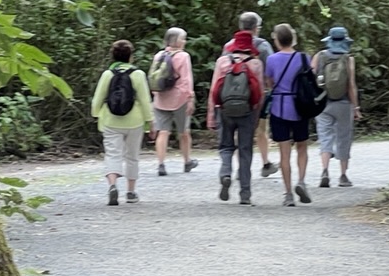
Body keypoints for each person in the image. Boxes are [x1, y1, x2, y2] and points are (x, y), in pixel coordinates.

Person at [90, 39, 154, 205]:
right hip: (135, 121)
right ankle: (131, 192)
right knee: (132, 156)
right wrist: (150, 121)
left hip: (111, 120)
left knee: (112, 154)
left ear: (113, 56)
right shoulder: (138, 74)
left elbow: (98, 98)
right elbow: (145, 100)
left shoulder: (107, 74)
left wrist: (96, 114)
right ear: (131, 57)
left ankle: (112, 185)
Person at [207, 30, 264, 204]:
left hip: (224, 110)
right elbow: (259, 93)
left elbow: (214, 90)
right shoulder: (256, 64)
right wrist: (256, 117)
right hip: (247, 111)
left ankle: (225, 173)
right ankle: (245, 194)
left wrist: (211, 115)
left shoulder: (222, 62)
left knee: (225, 146)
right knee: (245, 150)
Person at [222, 11, 277, 178]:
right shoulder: (263, 45)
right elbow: (271, 71)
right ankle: (265, 163)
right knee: (261, 130)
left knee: (239, 132)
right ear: (255, 28)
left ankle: (241, 168)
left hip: (233, 95)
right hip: (257, 95)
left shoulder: (229, 46)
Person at [264, 23, 313, 207]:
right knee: (302, 146)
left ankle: (288, 193)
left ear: (277, 40)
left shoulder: (271, 60)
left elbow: (269, 82)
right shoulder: (303, 57)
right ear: (292, 38)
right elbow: (310, 80)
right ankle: (301, 181)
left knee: (284, 152)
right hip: (300, 107)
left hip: (279, 107)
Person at [313, 26, 361, 188]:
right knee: (343, 138)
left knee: (325, 137)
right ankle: (343, 176)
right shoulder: (348, 59)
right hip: (343, 103)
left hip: (322, 103)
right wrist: (355, 107)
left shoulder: (319, 56)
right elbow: (351, 85)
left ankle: (325, 171)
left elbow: (310, 78)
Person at [148, 26, 197, 175]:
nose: (185, 41)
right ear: (177, 41)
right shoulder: (183, 56)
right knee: (183, 132)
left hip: (160, 98)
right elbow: (186, 80)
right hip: (179, 99)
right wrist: (190, 98)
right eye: (183, 38)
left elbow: (152, 76)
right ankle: (187, 161)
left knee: (163, 132)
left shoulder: (159, 55)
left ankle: (161, 164)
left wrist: (155, 95)